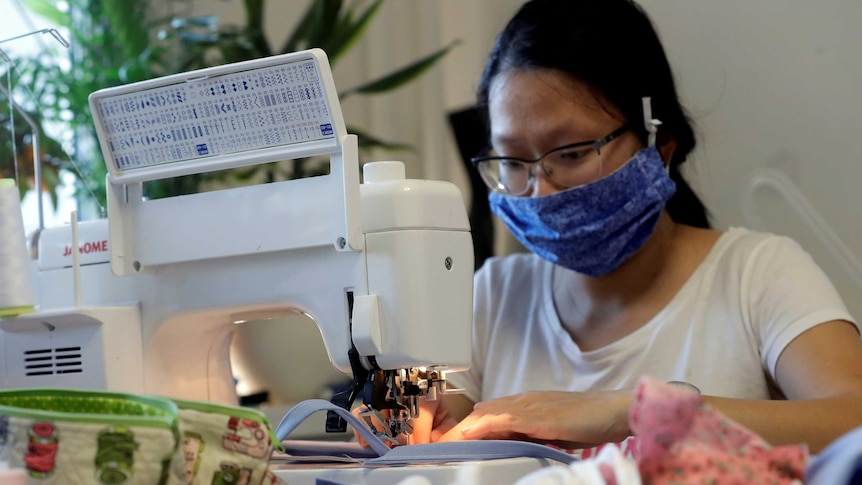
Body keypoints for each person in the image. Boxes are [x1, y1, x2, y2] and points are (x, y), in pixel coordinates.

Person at [361, 0, 862, 454]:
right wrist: (397, 410)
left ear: (658, 144)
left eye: (574, 153)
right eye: (513, 161)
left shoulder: (757, 275)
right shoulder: (493, 297)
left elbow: (853, 418)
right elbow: (414, 409)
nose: (541, 192)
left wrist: (631, 411)